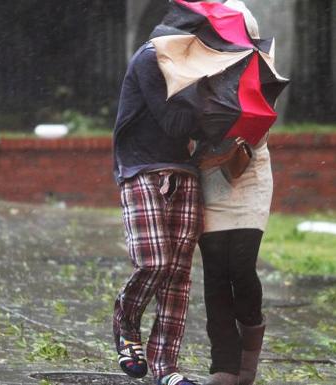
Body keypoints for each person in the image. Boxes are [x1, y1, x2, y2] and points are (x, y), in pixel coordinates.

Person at [111, 18, 204, 385]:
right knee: (155, 261)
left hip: (186, 170)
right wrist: (209, 103)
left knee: (178, 273)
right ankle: (126, 322)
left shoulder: (206, 65)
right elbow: (176, 123)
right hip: (141, 167)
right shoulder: (152, 58)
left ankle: (167, 367)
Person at [197, 1, 272, 385]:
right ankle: (223, 365)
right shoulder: (192, 68)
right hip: (208, 178)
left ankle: (251, 342)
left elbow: (262, 121)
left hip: (249, 175)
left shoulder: (258, 67)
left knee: (240, 267)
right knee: (215, 274)